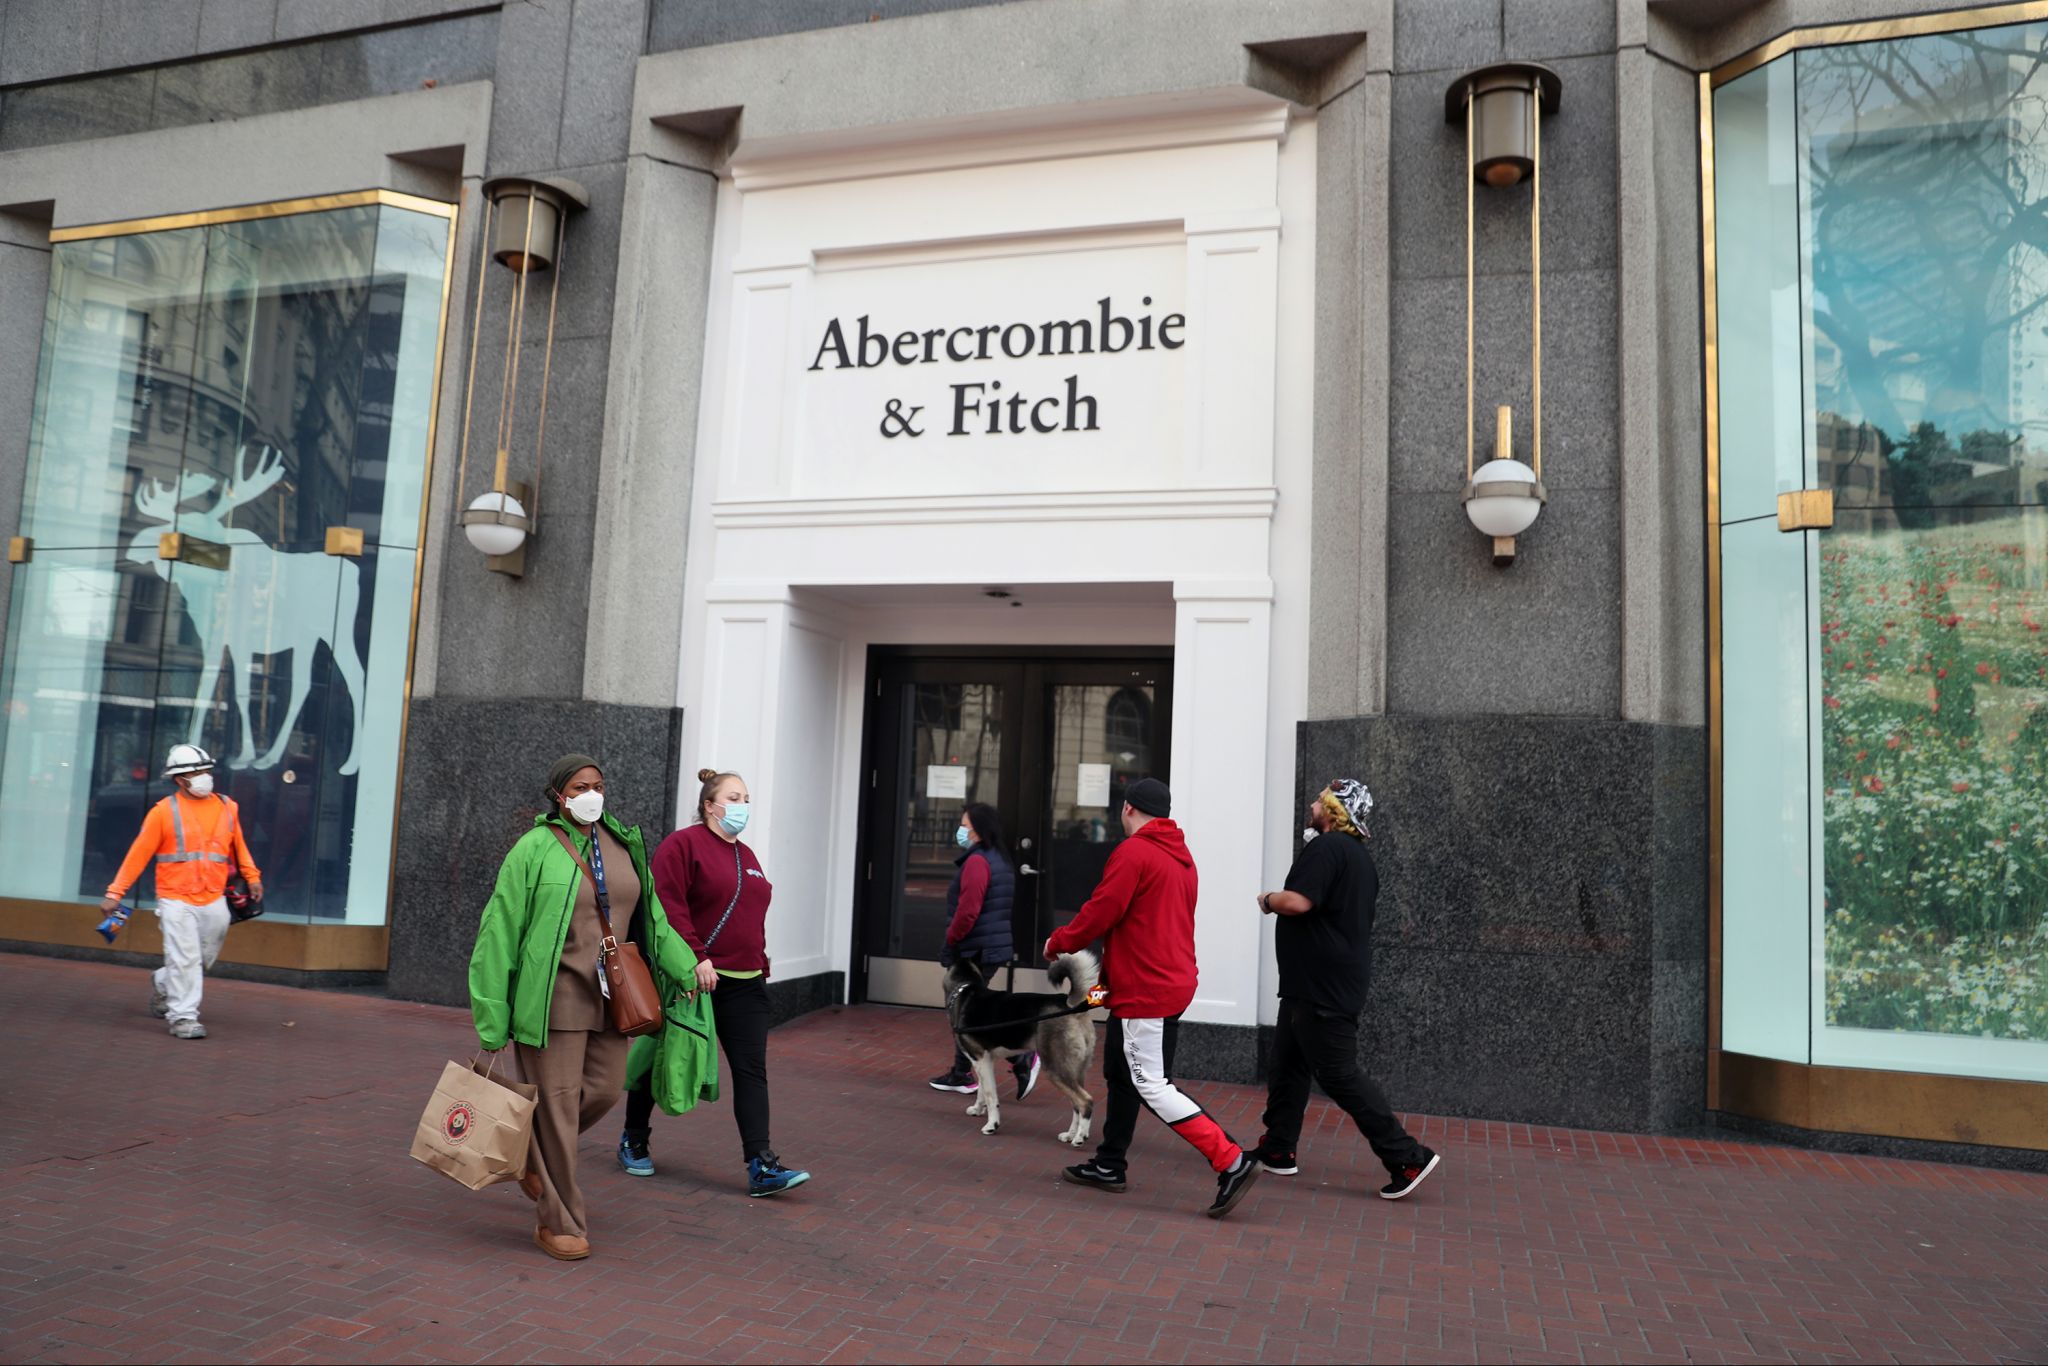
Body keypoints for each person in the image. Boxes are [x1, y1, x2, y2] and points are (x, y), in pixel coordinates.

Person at [469, 754, 703, 1261]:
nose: (592, 794)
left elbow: (654, 917)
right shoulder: (532, 849)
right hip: (550, 999)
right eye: (580, 786)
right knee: (555, 1106)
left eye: (598, 785)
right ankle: (560, 1221)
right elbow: (499, 931)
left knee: (600, 1091)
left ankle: (533, 1154)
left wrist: (686, 968)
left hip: (612, 996)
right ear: (559, 795)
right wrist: (492, 1016)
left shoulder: (621, 845)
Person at [1043, 778, 1260, 1219]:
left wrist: (1058, 942)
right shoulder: (1181, 858)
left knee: (1151, 1084)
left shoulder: (1134, 853)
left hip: (1149, 990)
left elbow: (1102, 913)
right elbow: (1143, 928)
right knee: (1121, 1072)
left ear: (1127, 810)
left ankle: (1231, 1161)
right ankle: (1109, 1163)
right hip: (1164, 982)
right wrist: (1106, 989)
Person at [621, 769, 811, 1197]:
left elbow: (750, 913)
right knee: (663, 1054)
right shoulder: (683, 845)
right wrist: (693, 959)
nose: (742, 805)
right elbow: (666, 906)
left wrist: (760, 959)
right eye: (733, 797)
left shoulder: (748, 856)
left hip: (746, 982)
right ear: (709, 805)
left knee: (751, 1072)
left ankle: (760, 1165)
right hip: (698, 979)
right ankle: (634, 1136)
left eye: (746, 797)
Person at [1250, 779, 1440, 1200]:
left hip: (1322, 986)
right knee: (1288, 1064)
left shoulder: (1327, 848)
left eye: (1322, 799)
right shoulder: (1359, 859)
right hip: (1310, 984)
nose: (1314, 803)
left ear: (1335, 811)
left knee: (1339, 1073)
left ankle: (1407, 1156)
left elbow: (1299, 902)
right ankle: (1279, 1148)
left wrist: (1268, 898)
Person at [99, 744, 262, 1041]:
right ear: (180, 779)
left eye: (205, 771)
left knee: (200, 957)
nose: (203, 777)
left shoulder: (228, 807)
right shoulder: (163, 812)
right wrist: (115, 892)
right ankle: (183, 1017)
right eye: (195, 772)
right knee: (185, 958)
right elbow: (138, 854)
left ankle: (164, 980)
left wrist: (252, 876)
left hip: (213, 897)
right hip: (175, 896)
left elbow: (238, 846)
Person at [927, 801, 1040, 1100]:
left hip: (974, 948)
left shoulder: (978, 862)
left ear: (977, 830)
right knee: (970, 1011)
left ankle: (1006, 1061)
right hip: (989, 945)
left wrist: (951, 942)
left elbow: (967, 913)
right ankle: (972, 1070)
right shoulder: (997, 858)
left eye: (965, 825)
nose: (961, 830)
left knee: (964, 1013)